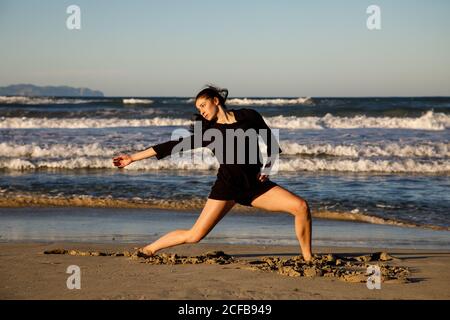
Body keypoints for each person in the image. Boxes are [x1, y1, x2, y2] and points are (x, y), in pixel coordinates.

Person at [112, 85, 312, 261]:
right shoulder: (208, 133)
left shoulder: (249, 116)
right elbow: (171, 146)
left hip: (254, 185)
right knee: (195, 235)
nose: (201, 111)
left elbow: (272, 144)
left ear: (215, 101)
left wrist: (267, 168)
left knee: (301, 207)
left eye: (203, 105)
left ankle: (308, 258)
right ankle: (149, 249)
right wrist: (132, 158)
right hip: (228, 186)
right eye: (198, 108)